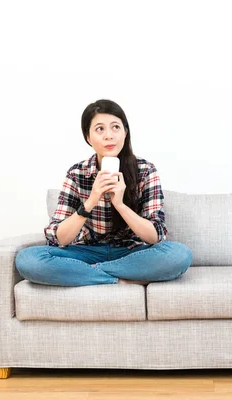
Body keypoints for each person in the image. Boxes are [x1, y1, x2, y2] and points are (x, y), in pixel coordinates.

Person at [15, 99, 193, 286]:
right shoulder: (77, 173)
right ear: (88, 137)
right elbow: (58, 238)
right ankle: (119, 279)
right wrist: (91, 201)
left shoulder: (145, 170)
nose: (109, 135)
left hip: (131, 253)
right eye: (100, 129)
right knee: (28, 260)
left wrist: (120, 205)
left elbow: (155, 236)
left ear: (125, 132)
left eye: (115, 127)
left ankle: (87, 274)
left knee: (179, 255)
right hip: (85, 251)